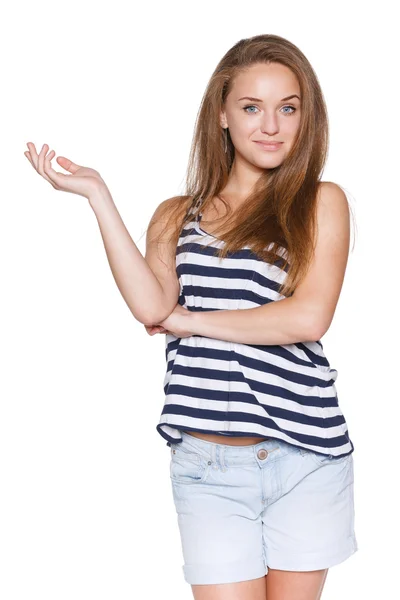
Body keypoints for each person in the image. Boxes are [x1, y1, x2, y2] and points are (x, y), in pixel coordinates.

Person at [24, 33, 357, 600]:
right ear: (222, 116)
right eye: (252, 107)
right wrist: (99, 197)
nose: (270, 125)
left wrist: (192, 321)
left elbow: (307, 319)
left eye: (288, 108)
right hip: (208, 464)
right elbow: (152, 308)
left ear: (307, 118)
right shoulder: (177, 215)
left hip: (305, 455)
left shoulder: (320, 202)